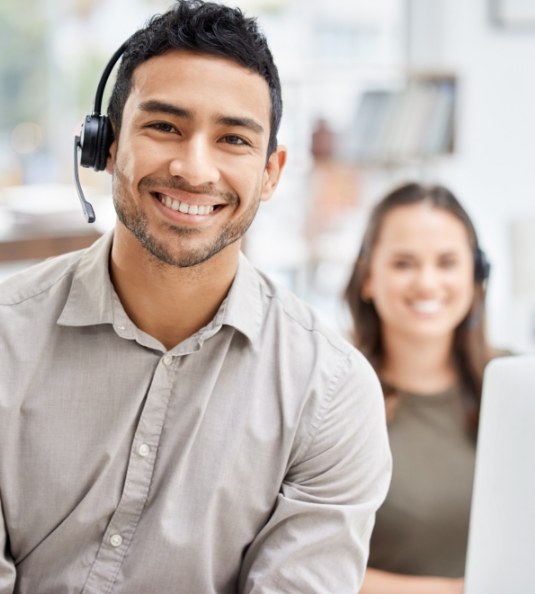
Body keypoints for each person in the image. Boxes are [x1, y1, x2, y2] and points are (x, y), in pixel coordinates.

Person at [0, 2, 392, 593]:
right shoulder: (6, 340)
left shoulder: (329, 394)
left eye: (233, 138)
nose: (193, 167)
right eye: (164, 127)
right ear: (103, 145)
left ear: (271, 172)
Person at [344, 182, 499, 594]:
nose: (427, 283)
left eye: (447, 262)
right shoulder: (331, 396)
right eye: (404, 263)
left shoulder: (513, 387)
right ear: (368, 278)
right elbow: (306, 565)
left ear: (476, 275)